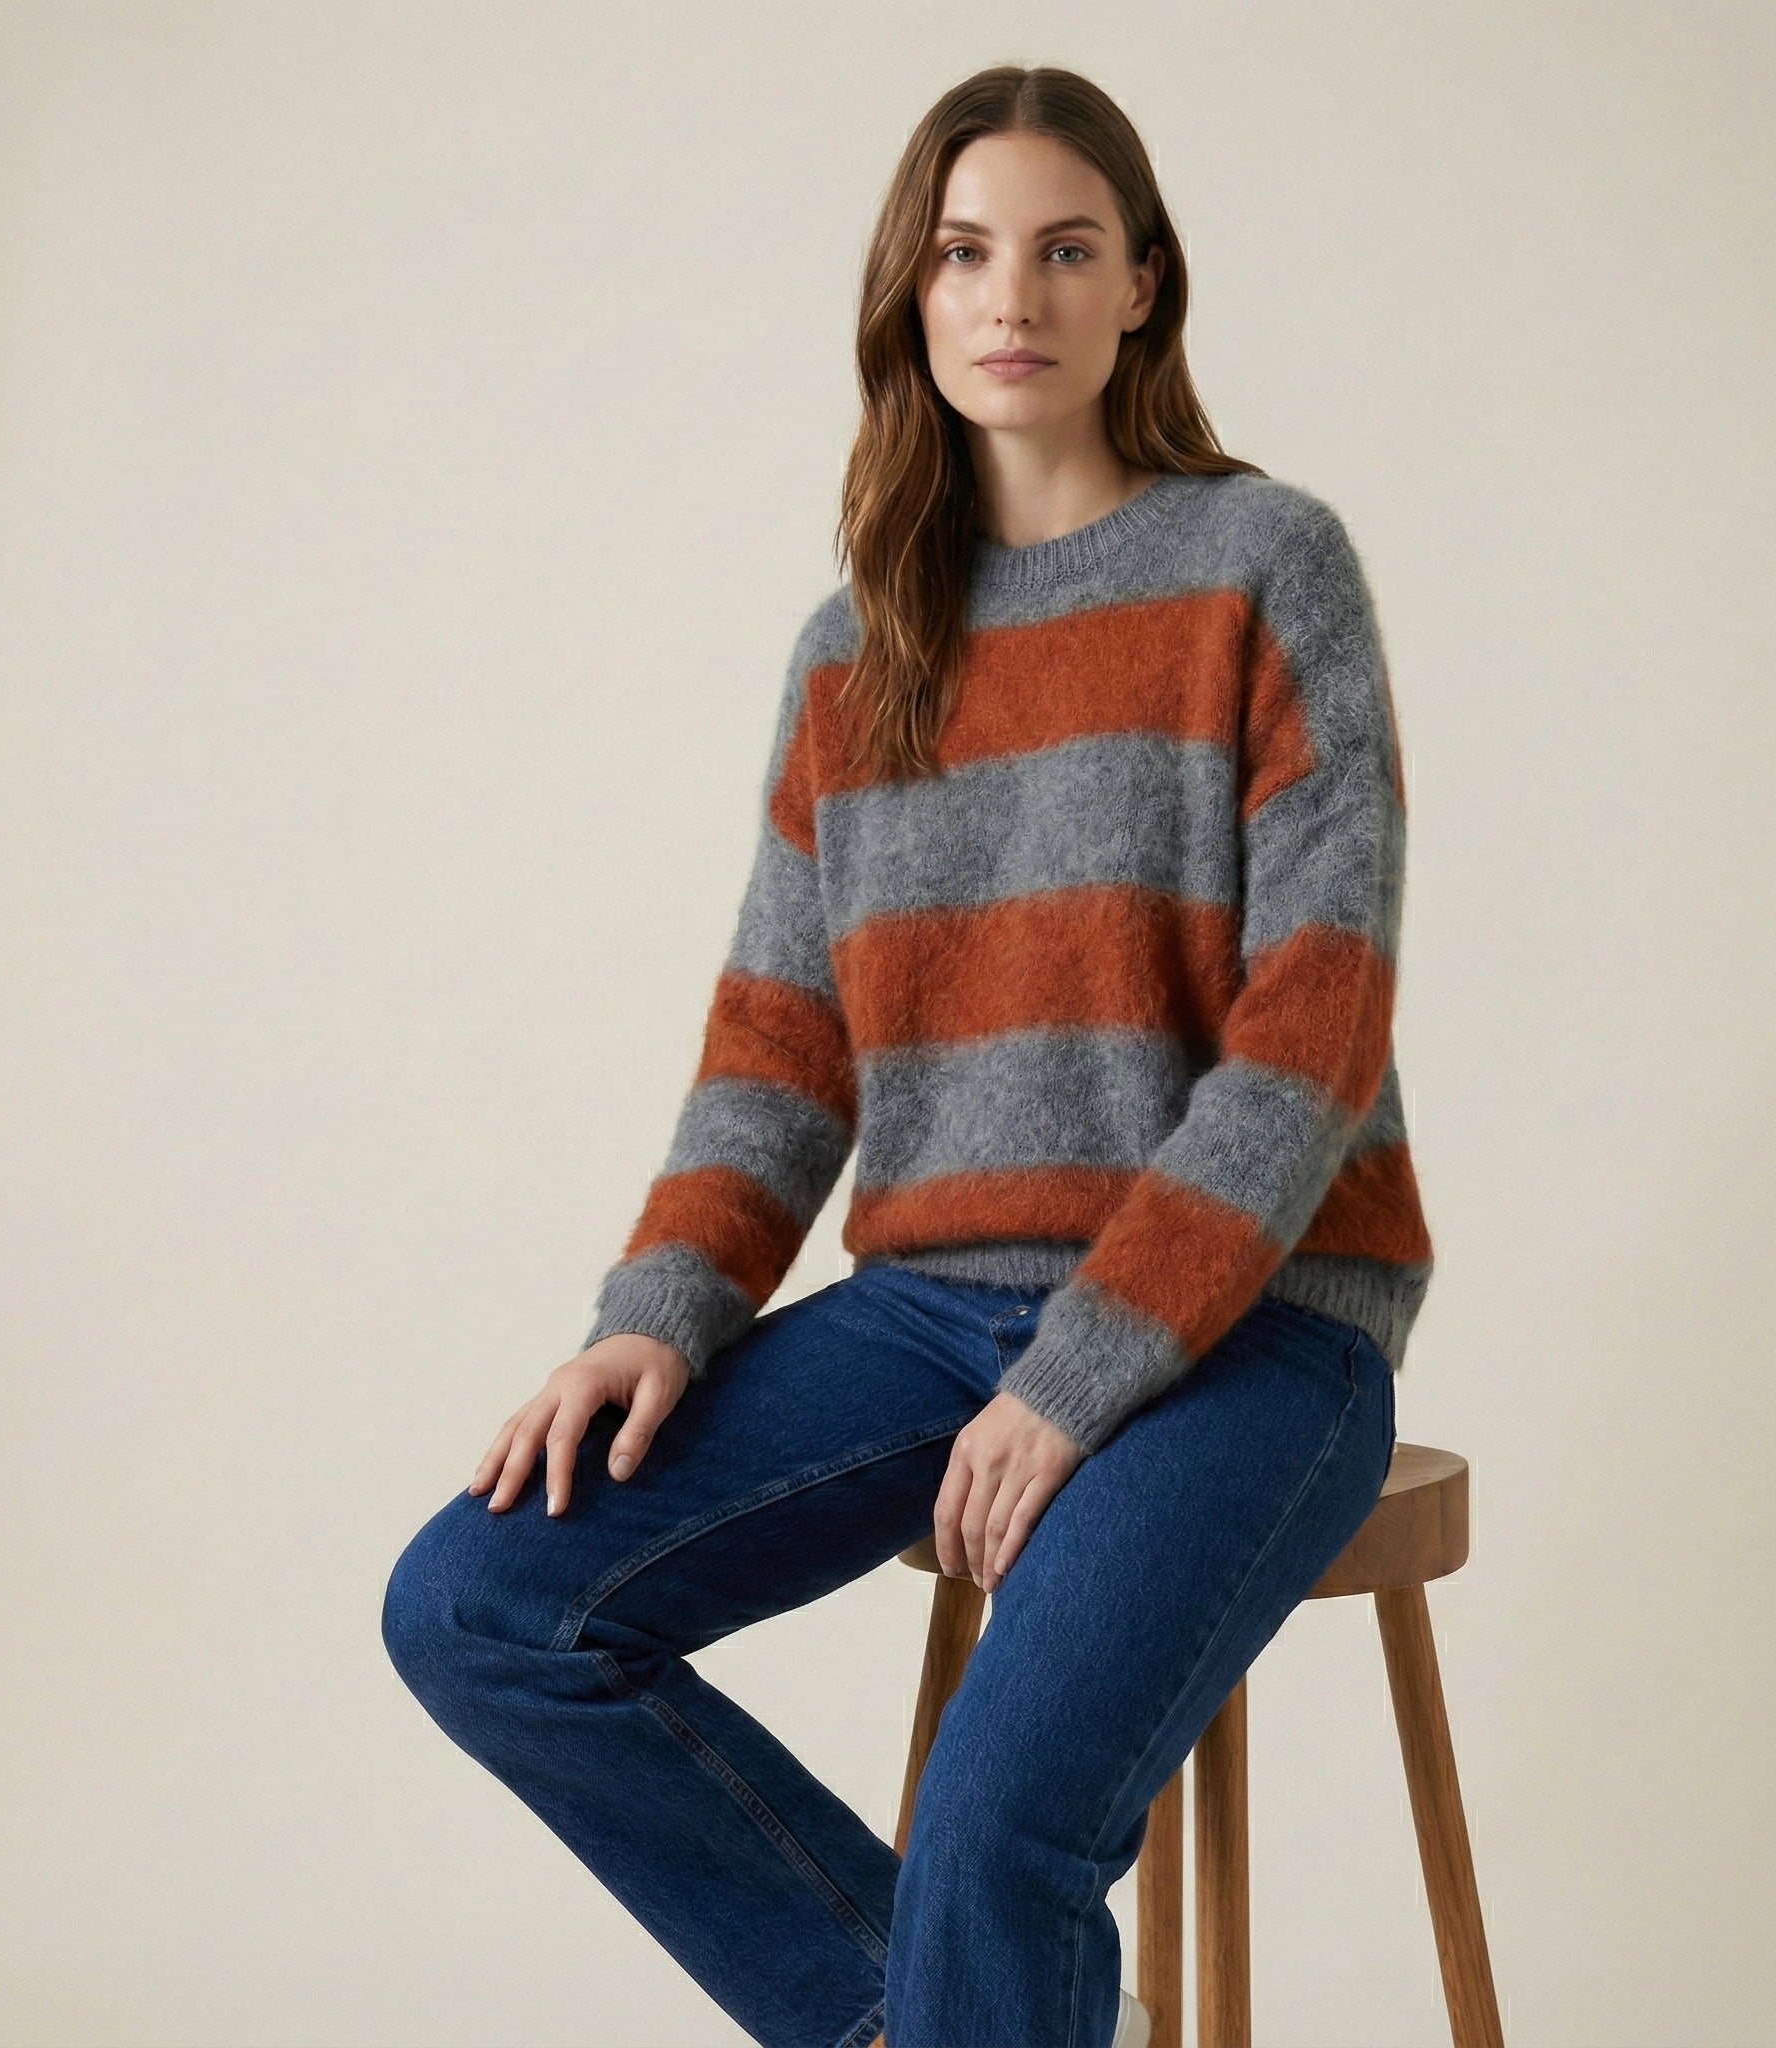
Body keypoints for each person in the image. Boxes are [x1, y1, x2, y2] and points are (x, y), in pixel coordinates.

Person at [381, 62, 1434, 2048]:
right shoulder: (854, 652)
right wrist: (657, 1316)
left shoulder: (1261, 564)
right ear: (911, 295)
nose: (1008, 291)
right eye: (962, 252)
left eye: (1061, 247)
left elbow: (1314, 1022)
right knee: (478, 1602)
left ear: (1143, 287)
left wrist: (1085, 1368)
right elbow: (778, 1046)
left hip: (1254, 1323)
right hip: (931, 1311)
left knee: (995, 1831)